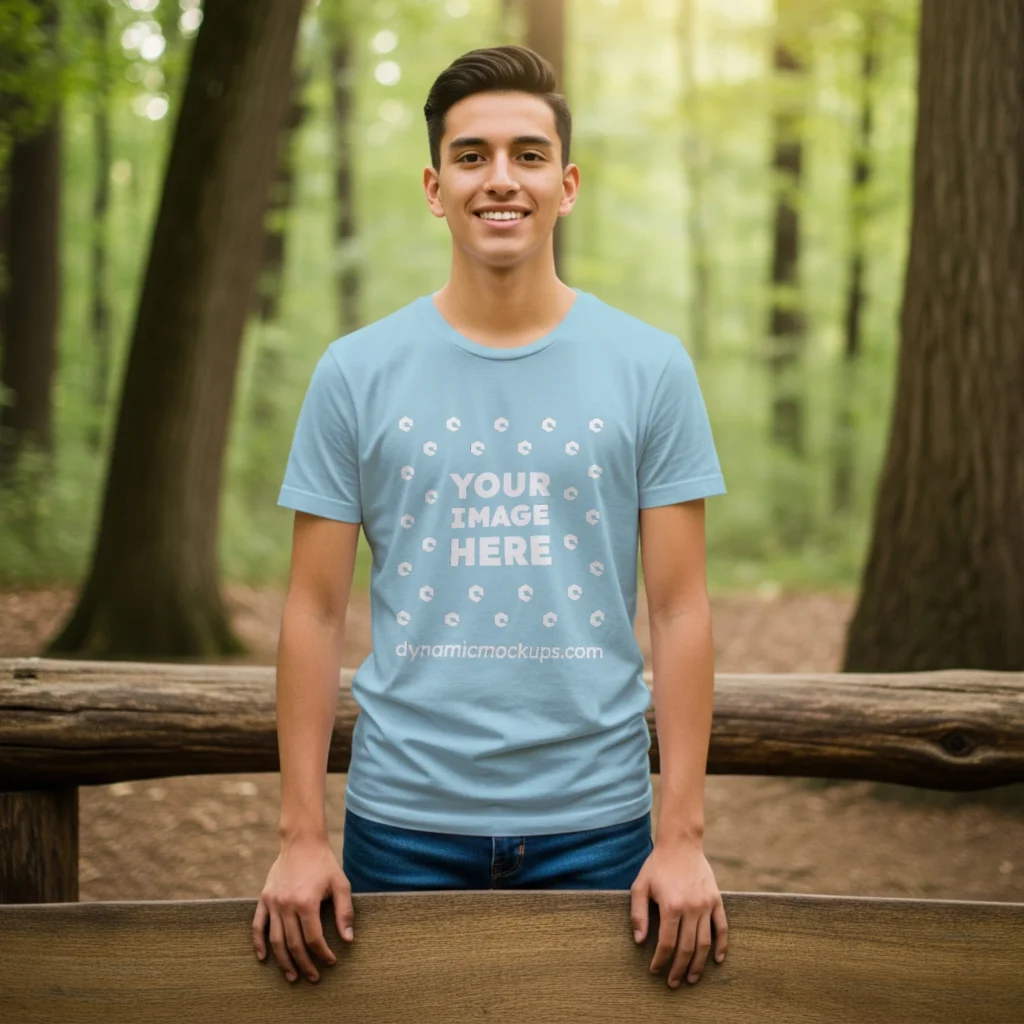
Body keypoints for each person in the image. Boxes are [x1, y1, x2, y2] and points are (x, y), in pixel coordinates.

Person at [252, 44, 728, 992]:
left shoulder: (651, 367)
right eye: (471, 157)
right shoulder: (355, 372)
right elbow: (310, 612)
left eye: (527, 154)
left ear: (568, 182)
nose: (499, 179)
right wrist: (302, 834)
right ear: (435, 187)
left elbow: (681, 611)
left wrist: (680, 834)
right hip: (400, 826)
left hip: (597, 826)